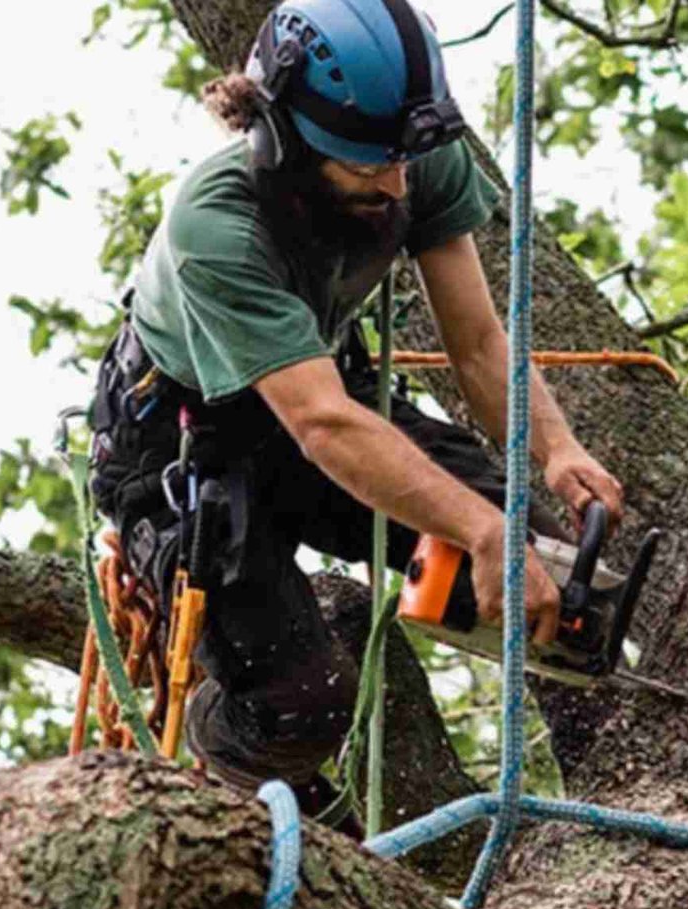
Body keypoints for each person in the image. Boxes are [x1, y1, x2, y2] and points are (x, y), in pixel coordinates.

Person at [88, 0, 622, 828]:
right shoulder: (216, 225)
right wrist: (479, 531)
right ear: (280, 137)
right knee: (301, 699)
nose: (398, 183)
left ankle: (608, 782)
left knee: (550, 577)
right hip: (188, 455)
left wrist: (553, 449)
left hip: (323, 406)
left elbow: (477, 342)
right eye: (371, 165)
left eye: (406, 159)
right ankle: (230, 752)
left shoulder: (408, 151)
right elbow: (323, 426)